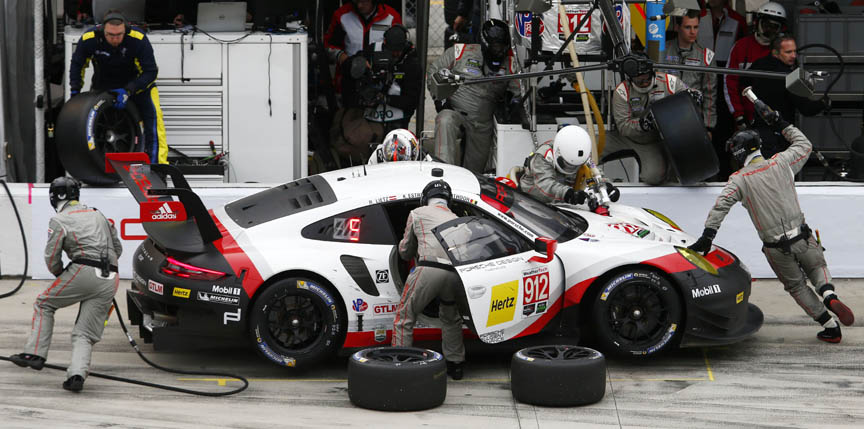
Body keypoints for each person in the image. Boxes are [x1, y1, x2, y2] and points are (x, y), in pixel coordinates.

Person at [689, 104, 854, 343]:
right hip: (803, 236)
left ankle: (830, 326)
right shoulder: (782, 162)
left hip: (777, 248)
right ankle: (828, 294)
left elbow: (720, 207)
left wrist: (707, 236)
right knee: (817, 268)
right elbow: (804, 145)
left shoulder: (738, 180)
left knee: (797, 287)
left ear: (738, 154)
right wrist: (780, 122)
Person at [9, 177, 123, 391]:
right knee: (85, 333)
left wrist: (61, 274)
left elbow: (52, 257)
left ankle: (35, 353)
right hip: (111, 277)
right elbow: (118, 248)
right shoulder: (98, 214)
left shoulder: (59, 220)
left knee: (44, 303)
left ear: (54, 197)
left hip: (83, 270)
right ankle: (76, 375)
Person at [69, 10, 168, 164]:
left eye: (119, 35)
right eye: (110, 35)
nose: (115, 39)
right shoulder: (89, 38)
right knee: (91, 126)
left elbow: (151, 72)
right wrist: (75, 92)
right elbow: (77, 65)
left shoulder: (138, 38)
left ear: (126, 30)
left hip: (139, 87)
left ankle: (158, 169)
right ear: (102, 30)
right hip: (103, 88)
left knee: (154, 126)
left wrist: (129, 90)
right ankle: (98, 166)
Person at [392, 180, 466, 380]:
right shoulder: (457, 219)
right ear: (448, 200)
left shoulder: (417, 213)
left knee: (404, 316)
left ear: (425, 198)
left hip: (429, 269)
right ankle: (455, 365)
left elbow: (405, 251)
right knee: (451, 318)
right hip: (454, 274)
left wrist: (402, 247)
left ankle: (400, 364)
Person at [428, 19, 520, 174]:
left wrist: (512, 104)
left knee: (474, 173)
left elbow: (518, 94)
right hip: (454, 111)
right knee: (445, 120)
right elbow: (434, 71)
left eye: (502, 47)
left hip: (482, 124)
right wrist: (441, 100)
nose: (499, 52)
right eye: (496, 47)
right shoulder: (460, 52)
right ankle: (441, 174)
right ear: (485, 43)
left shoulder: (511, 64)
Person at [333, 25, 421, 164]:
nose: (396, 54)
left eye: (399, 50)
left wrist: (385, 98)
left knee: (394, 153)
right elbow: (348, 69)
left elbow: (412, 100)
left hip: (396, 115)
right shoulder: (372, 50)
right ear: (385, 43)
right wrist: (360, 66)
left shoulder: (411, 61)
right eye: (393, 50)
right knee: (355, 144)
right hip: (369, 115)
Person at [741, 35, 828, 158]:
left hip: (758, 132)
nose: (793, 56)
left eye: (794, 51)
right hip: (779, 137)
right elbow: (807, 109)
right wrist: (825, 102)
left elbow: (742, 81)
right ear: (775, 53)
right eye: (788, 52)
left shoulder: (758, 64)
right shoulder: (788, 76)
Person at [609, 64, 688, 185]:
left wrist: (693, 96)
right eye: (639, 81)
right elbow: (623, 127)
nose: (645, 83)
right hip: (629, 138)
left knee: (653, 177)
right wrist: (642, 124)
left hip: (658, 140)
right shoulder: (622, 91)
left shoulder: (669, 82)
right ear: (630, 79)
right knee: (592, 147)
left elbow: (687, 93)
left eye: (648, 78)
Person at [699, 0, 748, 180]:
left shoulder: (737, 20)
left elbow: (741, 51)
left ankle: (722, 174)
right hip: (699, 74)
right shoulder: (697, 15)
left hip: (724, 77)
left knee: (723, 130)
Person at [518, 125, 620, 204]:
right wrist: (569, 194)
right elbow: (545, 184)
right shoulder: (543, 156)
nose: (571, 168)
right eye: (567, 164)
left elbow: (595, 171)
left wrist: (606, 186)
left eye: (575, 165)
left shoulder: (582, 155)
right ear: (558, 153)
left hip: (562, 202)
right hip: (532, 200)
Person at [725, 1, 786, 132]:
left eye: (774, 27)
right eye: (766, 25)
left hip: (778, 121)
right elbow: (730, 82)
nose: (769, 30)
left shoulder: (784, 51)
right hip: (747, 120)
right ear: (756, 22)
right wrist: (738, 115)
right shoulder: (741, 47)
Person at [664, 10, 717, 134]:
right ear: (677, 27)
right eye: (688, 27)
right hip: (665, 116)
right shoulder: (662, 50)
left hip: (693, 119)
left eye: (696, 27)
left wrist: (708, 127)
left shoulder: (706, 56)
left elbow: (710, 95)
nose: (693, 32)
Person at [324, 0, 401, 83]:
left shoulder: (391, 16)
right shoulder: (341, 15)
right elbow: (328, 45)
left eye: (363, 1)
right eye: (356, 1)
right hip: (349, 79)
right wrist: (346, 60)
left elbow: (399, 50)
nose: (359, 6)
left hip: (382, 82)